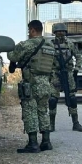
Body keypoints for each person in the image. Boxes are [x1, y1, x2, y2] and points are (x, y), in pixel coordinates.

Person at [8, 20, 56, 153]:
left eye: (29, 30)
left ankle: (33, 143)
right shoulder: (50, 46)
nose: (29, 33)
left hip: (31, 82)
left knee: (30, 112)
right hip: (46, 83)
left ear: (33, 30)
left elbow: (12, 55)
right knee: (43, 111)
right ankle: (46, 141)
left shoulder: (28, 44)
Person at [49, 23, 82, 132]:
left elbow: (78, 56)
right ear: (54, 33)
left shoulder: (70, 44)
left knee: (72, 98)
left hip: (68, 73)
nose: (61, 33)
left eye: (63, 31)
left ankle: (76, 123)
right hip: (55, 73)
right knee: (52, 99)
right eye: (58, 31)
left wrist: (76, 69)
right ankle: (51, 124)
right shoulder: (49, 44)